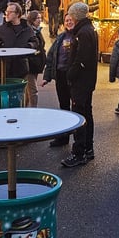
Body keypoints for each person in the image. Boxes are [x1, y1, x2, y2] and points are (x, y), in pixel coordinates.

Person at [60, 2, 99, 168]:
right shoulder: (88, 30)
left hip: (81, 81)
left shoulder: (82, 33)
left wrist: (71, 73)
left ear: (75, 15)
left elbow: (81, 59)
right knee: (86, 114)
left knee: (80, 115)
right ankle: (88, 148)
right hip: (87, 81)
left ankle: (79, 152)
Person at [41, 13, 76, 147]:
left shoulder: (78, 37)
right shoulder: (61, 37)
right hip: (60, 75)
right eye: (66, 20)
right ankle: (63, 137)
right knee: (64, 107)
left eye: (71, 20)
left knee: (76, 107)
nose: (68, 22)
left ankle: (78, 140)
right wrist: (47, 77)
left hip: (72, 76)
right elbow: (51, 57)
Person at [0, 2, 38, 80]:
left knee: (19, 91)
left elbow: (35, 42)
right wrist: (3, 45)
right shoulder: (2, 28)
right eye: (6, 12)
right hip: (4, 68)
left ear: (17, 14)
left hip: (21, 69)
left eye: (10, 12)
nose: (7, 14)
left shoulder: (27, 28)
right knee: (4, 92)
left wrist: (27, 47)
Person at [23, 10, 46, 107]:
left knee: (29, 90)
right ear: (32, 20)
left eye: (40, 18)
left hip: (36, 64)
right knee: (33, 90)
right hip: (30, 64)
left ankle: (24, 109)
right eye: (38, 18)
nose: (40, 20)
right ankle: (33, 110)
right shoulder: (30, 32)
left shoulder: (37, 30)